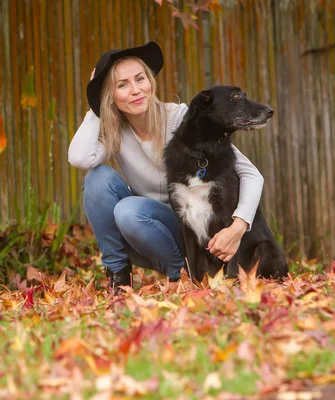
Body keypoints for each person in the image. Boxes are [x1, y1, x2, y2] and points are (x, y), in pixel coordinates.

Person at [68, 41, 264, 293]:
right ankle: (118, 276)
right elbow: (79, 158)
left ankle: (183, 277)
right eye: (122, 85)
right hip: (146, 233)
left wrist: (238, 226)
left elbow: (250, 173)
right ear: (111, 96)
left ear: (150, 81)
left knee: (129, 211)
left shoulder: (180, 119)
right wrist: (95, 106)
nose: (136, 90)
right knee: (98, 179)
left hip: (192, 232)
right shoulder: (116, 131)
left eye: (140, 79)